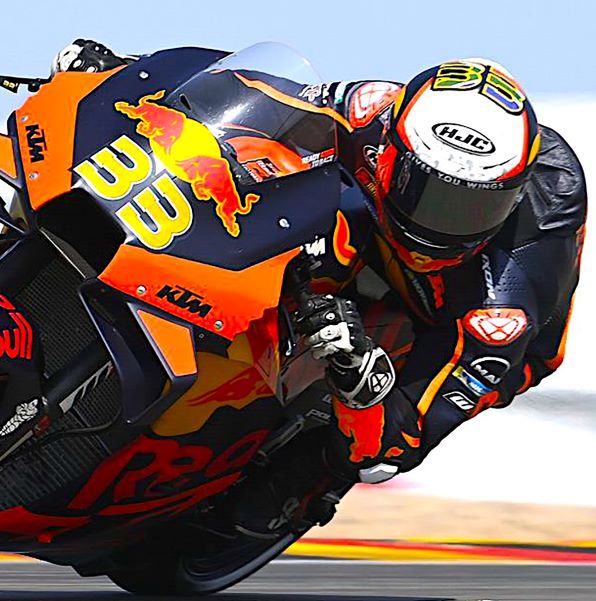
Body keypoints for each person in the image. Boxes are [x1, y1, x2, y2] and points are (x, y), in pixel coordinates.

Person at [52, 41, 587, 535]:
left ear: (512, 195)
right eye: (427, 194)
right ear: (392, 152)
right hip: (372, 236)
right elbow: (253, 96)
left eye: (472, 207)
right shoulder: (373, 111)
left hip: (457, 319)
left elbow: (403, 438)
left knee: (364, 456)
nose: (441, 223)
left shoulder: (509, 295)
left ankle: (308, 484)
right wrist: (124, 77)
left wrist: (362, 378)